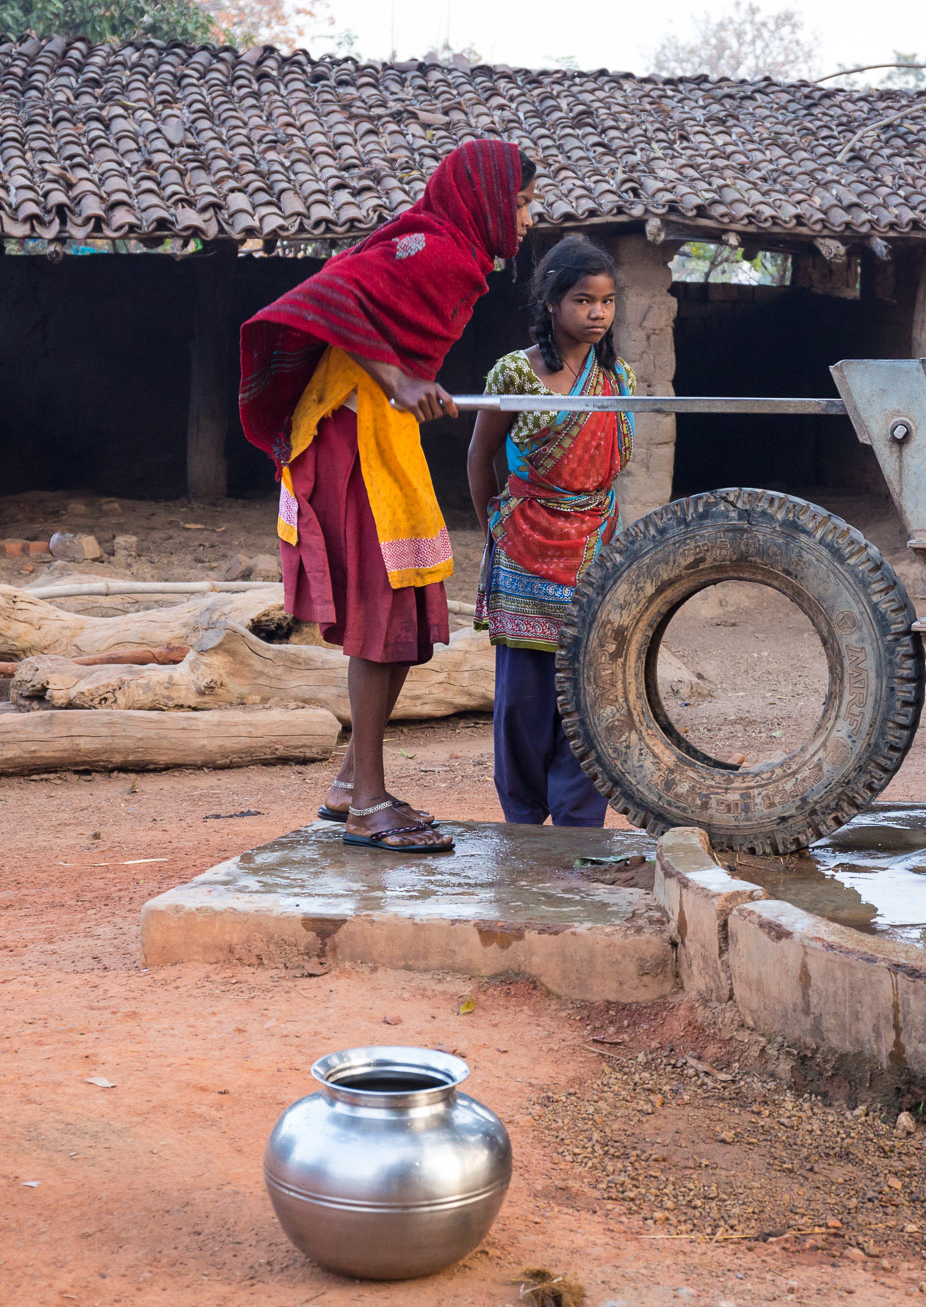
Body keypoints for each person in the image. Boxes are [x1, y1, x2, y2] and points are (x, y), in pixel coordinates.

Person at [238, 139, 536, 852]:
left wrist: (404, 380)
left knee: (406, 611)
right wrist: (396, 376)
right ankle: (369, 804)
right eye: (521, 203)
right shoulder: (434, 249)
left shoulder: (457, 254)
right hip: (348, 432)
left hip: (380, 433)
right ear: (489, 198)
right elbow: (327, 291)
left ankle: (350, 785)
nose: (528, 217)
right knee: (380, 613)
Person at [467, 235, 635, 826]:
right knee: (523, 699)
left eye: (608, 302)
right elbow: (479, 456)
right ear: (551, 303)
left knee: (587, 693)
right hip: (522, 547)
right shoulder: (514, 372)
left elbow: (611, 469)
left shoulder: (618, 378)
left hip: (594, 545)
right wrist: (499, 525)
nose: (597, 314)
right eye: (584, 301)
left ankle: (577, 823)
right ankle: (522, 818)